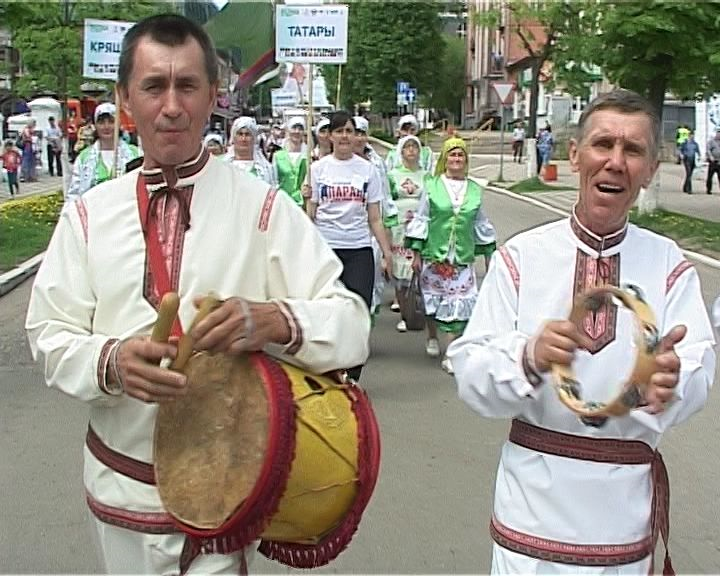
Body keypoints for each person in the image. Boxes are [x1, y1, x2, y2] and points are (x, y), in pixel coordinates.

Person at [25, 14, 371, 576]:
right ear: (124, 98)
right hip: (119, 495)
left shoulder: (263, 210)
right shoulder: (88, 216)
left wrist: (274, 321)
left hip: (224, 501)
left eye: (187, 86)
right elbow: (48, 333)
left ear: (214, 94)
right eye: (153, 87)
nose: (171, 106)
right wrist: (110, 362)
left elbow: (351, 323)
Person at [448, 89, 716, 575]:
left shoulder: (669, 265)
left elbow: (697, 363)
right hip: (529, 514)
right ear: (575, 155)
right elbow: (470, 373)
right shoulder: (521, 258)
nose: (615, 161)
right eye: (602, 144)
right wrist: (529, 355)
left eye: (632, 150)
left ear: (651, 169)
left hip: (622, 516)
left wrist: (671, 382)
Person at [307, 111, 393, 381]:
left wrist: (387, 252)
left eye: (349, 131)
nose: (345, 136)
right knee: (328, 310)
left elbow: (375, 217)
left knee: (358, 311)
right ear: (329, 135)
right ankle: (328, 368)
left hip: (358, 248)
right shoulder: (318, 169)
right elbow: (310, 214)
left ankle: (352, 373)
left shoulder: (367, 169)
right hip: (327, 247)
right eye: (339, 131)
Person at [405, 137, 496, 374]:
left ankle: (452, 353)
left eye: (460, 155)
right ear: (445, 160)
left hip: (461, 258)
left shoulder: (475, 189)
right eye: (452, 155)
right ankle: (432, 336)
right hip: (434, 254)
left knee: (458, 307)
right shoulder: (432, 185)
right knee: (434, 302)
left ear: (466, 160)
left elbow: (480, 222)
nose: (456, 159)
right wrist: (415, 253)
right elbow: (422, 218)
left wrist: (489, 256)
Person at [352, 115, 398, 324]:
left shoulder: (376, 164)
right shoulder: (337, 162)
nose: (359, 139)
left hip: (371, 231)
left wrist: (387, 239)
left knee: (373, 281)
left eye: (362, 134)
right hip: (346, 232)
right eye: (355, 133)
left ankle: (365, 325)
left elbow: (385, 199)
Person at [386, 134, 428, 332]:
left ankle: (418, 310)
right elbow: (387, 201)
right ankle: (404, 314)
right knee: (400, 272)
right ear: (401, 151)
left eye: (415, 147)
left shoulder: (426, 175)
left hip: (419, 226)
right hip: (398, 226)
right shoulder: (392, 175)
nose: (411, 150)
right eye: (407, 147)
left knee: (418, 269)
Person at [65, 103, 141, 203]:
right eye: (101, 122)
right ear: (95, 125)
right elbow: (74, 194)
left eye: (111, 121)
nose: (106, 126)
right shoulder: (84, 158)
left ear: (118, 124)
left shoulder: (135, 154)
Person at [224, 116, 276, 185]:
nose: (243, 139)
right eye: (240, 134)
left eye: (247, 134)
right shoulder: (223, 165)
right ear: (233, 137)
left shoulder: (265, 170)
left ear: (254, 138)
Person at [272, 116, 306, 205]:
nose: (297, 131)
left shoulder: (309, 155)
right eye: (294, 128)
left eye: (300, 128)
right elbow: (274, 181)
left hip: (303, 205)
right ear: (288, 130)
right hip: (283, 204)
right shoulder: (277, 156)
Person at [680, 130, 701, 194]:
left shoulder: (695, 144)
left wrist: (699, 157)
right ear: (689, 136)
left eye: (693, 135)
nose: (692, 137)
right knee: (689, 173)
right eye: (691, 135)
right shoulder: (685, 143)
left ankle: (685, 187)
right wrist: (682, 155)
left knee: (689, 175)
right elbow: (681, 150)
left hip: (692, 160)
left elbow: (698, 151)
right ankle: (689, 189)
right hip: (686, 160)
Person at [19, 118, 37, 182]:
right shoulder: (26, 129)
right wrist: (32, 138)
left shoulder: (30, 129)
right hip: (27, 146)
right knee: (26, 161)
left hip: (30, 146)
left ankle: (30, 176)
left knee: (31, 161)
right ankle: (24, 176)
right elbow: (28, 137)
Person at [705, 128, 720, 195]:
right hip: (713, 162)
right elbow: (708, 150)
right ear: (716, 134)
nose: (719, 135)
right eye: (718, 133)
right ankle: (709, 189)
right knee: (710, 177)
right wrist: (710, 157)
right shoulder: (711, 141)